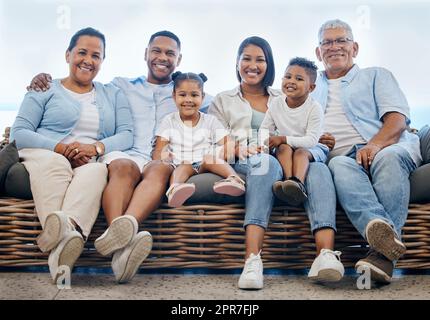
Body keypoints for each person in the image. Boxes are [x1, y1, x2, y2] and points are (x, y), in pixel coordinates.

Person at [27, 31, 211, 283]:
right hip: (128, 154)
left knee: (158, 168)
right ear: (145, 54)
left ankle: (121, 235)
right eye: (156, 50)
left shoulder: (190, 91)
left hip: (164, 159)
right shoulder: (120, 86)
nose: (162, 57)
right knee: (122, 165)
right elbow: (82, 85)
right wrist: (43, 80)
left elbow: (226, 109)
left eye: (170, 53)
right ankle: (121, 240)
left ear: (179, 60)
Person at [10, 27, 134, 283]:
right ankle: (64, 240)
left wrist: (97, 148)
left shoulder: (112, 93)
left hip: (88, 159)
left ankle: (59, 247)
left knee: (98, 170)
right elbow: (19, 133)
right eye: (82, 52)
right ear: (68, 55)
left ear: (102, 61)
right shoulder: (44, 88)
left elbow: (126, 134)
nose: (88, 60)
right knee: (56, 163)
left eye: (96, 55)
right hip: (44, 153)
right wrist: (60, 148)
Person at [309, 19, 421, 284]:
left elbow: (397, 119)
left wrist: (374, 144)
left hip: (386, 146)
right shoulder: (310, 88)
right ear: (318, 52)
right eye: (327, 42)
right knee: (336, 165)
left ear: (355, 47)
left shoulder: (375, 75)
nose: (334, 47)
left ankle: (382, 255)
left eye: (341, 40)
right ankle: (384, 250)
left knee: (388, 158)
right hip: (342, 158)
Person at [208, 36, 284, 289]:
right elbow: (217, 140)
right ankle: (252, 259)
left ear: (269, 64)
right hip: (240, 161)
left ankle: (253, 258)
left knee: (268, 164)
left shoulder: (281, 98)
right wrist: (240, 149)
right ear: (237, 62)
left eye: (260, 60)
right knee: (264, 164)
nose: (253, 65)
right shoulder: (222, 100)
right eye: (247, 59)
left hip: (276, 159)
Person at [153, 71, 245, 207]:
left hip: (204, 162)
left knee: (211, 158)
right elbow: (159, 150)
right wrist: (164, 157)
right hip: (181, 162)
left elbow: (228, 143)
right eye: (182, 95)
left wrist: (234, 149)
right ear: (174, 96)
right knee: (183, 167)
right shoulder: (169, 120)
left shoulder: (210, 121)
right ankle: (175, 188)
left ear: (202, 97)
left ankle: (234, 180)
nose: (188, 100)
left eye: (194, 95)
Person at [260, 57, 328, 206]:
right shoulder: (276, 103)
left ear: (311, 88)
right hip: (288, 145)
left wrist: (283, 138)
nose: (291, 81)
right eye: (288, 76)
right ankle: (288, 183)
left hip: (312, 147)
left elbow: (311, 140)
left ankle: (298, 183)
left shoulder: (314, 108)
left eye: (298, 79)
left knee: (300, 152)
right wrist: (265, 144)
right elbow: (265, 130)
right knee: (282, 148)